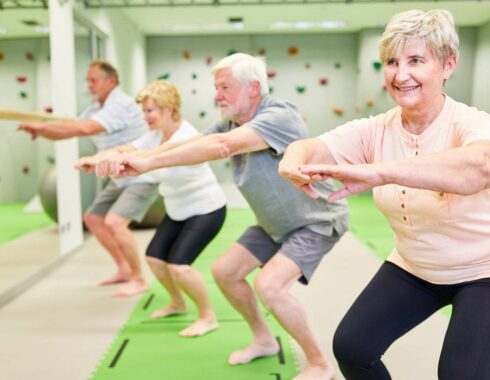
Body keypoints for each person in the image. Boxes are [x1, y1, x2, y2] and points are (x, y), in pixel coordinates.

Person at [95, 53, 349, 380]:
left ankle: (319, 364)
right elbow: (193, 142)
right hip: (274, 225)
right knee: (225, 271)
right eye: (216, 88)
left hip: (316, 221)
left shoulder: (279, 116)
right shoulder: (232, 121)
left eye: (224, 87)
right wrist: (133, 156)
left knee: (270, 286)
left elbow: (222, 146)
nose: (217, 96)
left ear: (254, 88)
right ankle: (264, 339)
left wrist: (147, 163)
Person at [279, 9, 490, 380]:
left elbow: (482, 167)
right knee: (353, 348)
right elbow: (310, 147)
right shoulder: (375, 129)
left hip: (486, 270)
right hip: (415, 266)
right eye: (391, 62)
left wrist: (378, 171)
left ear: (448, 64)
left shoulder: (471, 123)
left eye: (416, 60)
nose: (401, 75)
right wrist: (292, 160)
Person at [79, 80, 227, 337]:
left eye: (150, 111)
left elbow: (151, 157)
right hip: (177, 209)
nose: (145, 116)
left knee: (179, 267)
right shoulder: (157, 135)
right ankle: (178, 303)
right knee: (155, 260)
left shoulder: (187, 136)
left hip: (206, 209)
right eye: (144, 111)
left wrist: (124, 161)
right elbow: (128, 148)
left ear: (170, 109)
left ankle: (208, 317)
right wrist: (96, 159)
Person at [19, 60, 159, 297]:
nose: (89, 85)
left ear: (111, 81)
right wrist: (42, 130)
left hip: (142, 175)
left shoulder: (120, 104)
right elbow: (70, 128)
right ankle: (124, 269)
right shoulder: (96, 108)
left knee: (115, 222)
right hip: (120, 176)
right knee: (93, 218)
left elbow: (83, 130)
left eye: (94, 80)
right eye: (88, 80)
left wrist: (44, 127)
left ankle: (139, 278)